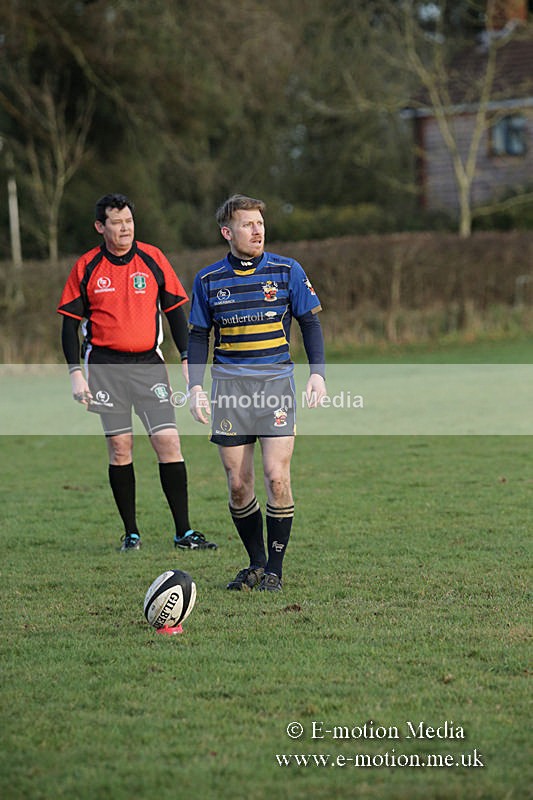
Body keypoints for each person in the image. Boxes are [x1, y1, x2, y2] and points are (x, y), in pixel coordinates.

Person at [57, 192, 217, 552]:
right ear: (101, 227)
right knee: (120, 447)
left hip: (149, 366)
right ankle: (131, 533)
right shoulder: (86, 267)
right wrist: (75, 374)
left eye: (128, 221)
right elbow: (69, 325)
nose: (125, 228)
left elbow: (176, 312)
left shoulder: (153, 258)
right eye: (116, 222)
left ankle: (184, 532)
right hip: (105, 368)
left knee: (168, 442)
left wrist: (187, 359)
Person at [187, 194, 326, 591]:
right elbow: (199, 336)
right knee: (238, 482)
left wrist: (318, 374)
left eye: (260, 223)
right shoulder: (208, 280)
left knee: (276, 477)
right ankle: (256, 563)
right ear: (226, 232)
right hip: (229, 390)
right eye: (247, 224)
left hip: (276, 386)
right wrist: (195, 387)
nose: (257, 229)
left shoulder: (287, 270)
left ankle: (276, 572)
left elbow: (310, 324)